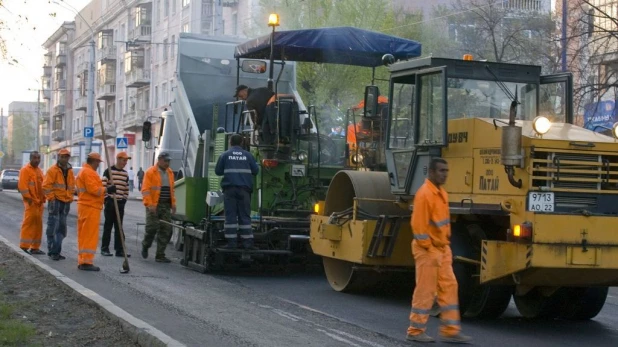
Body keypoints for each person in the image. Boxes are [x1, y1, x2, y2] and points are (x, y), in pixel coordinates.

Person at [407, 158, 472, 344]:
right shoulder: (425, 194)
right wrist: (429, 248)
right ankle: (415, 330)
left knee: (449, 287)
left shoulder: (441, 193)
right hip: (428, 250)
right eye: (441, 170)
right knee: (426, 291)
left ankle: (450, 331)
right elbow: (418, 227)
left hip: (442, 249)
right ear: (432, 173)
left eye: (446, 170)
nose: (445, 174)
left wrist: (444, 247)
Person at [215, 134, 259, 249]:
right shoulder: (248, 155)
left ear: (230, 142)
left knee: (231, 217)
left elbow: (218, 171)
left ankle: (231, 244)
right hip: (244, 190)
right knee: (245, 216)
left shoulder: (225, 155)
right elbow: (256, 171)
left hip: (229, 190)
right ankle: (247, 244)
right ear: (241, 143)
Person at [76, 152, 116, 271]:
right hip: (90, 206)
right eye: (98, 162)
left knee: (84, 235)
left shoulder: (85, 171)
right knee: (89, 235)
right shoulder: (88, 172)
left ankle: (83, 259)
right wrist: (108, 189)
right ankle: (86, 262)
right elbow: (94, 190)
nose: (98, 164)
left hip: (86, 206)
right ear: (94, 161)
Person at [141, 152, 176, 263]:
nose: (167, 163)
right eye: (165, 161)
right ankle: (145, 245)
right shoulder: (151, 172)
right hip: (153, 205)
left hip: (165, 205)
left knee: (166, 229)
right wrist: (150, 204)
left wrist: (173, 204)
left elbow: (172, 190)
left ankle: (160, 255)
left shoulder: (170, 173)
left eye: (168, 161)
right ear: (159, 160)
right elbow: (145, 190)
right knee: (152, 228)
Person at [42, 148, 75, 261]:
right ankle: (52, 250)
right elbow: (46, 186)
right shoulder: (52, 170)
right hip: (56, 202)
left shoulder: (70, 171)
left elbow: (71, 187)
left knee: (61, 228)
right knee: (53, 227)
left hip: (65, 203)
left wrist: (70, 197)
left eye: (66, 157)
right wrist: (52, 198)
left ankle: (56, 251)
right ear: (59, 157)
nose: (64, 158)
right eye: (62, 156)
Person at [101, 152, 131, 258]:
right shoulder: (108, 171)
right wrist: (107, 198)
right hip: (110, 202)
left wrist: (124, 200)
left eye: (126, 161)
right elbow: (103, 186)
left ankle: (119, 250)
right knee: (108, 226)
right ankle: (105, 249)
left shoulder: (125, 174)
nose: (125, 162)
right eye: (124, 160)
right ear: (118, 159)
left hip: (119, 203)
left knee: (119, 227)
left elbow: (126, 189)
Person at [18, 151, 46, 255]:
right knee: (29, 224)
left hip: (39, 203)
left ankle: (35, 247)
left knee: (38, 225)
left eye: (38, 158)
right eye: (35, 158)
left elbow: (42, 186)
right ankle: (24, 246)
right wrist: (28, 199)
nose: (37, 160)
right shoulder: (25, 170)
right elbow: (22, 186)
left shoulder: (39, 171)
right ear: (30, 159)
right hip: (31, 202)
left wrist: (44, 197)